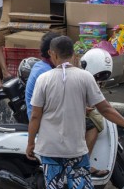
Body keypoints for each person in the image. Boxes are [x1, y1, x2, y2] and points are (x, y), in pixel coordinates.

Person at [27, 36, 124, 189]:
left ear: (52, 54)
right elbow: (105, 109)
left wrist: (30, 143)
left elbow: (36, 115)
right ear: (73, 54)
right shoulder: (85, 77)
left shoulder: (44, 79)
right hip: (75, 150)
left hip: (50, 149)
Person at [25, 32, 106, 176]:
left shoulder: (43, 68)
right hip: (45, 117)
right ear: (52, 53)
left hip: (43, 114)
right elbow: (41, 111)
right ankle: (83, 165)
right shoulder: (48, 73)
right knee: (94, 124)